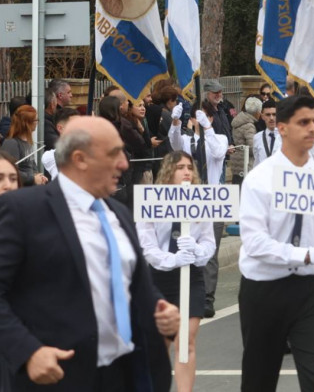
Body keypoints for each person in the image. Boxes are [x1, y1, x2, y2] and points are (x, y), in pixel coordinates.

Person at [0, 116, 180, 390]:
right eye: (113, 153)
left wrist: (161, 309)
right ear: (80, 159)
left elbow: (135, 285)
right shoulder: (23, 210)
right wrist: (27, 352)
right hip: (59, 377)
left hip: (126, 375)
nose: (124, 163)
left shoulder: (119, 213)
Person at [238, 95, 314, 392]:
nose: (312, 128)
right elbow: (254, 242)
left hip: (311, 291)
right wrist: (307, 254)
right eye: (304, 122)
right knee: (259, 380)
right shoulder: (260, 178)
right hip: (265, 290)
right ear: (282, 128)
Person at [136, 151, 216, 392]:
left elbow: (209, 242)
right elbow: (147, 246)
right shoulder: (151, 200)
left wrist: (196, 250)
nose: (186, 172)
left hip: (191, 277)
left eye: (189, 167)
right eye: (180, 167)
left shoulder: (201, 201)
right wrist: (172, 259)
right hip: (159, 278)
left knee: (186, 341)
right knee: (159, 346)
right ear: (169, 171)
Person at [168, 100, 231, 318]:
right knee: (184, 246)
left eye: (205, 116)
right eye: (196, 116)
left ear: (211, 118)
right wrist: (175, 122)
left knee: (209, 250)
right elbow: (175, 145)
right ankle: (186, 294)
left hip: (212, 200)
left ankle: (207, 298)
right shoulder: (186, 140)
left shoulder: (219, 138)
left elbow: (218, 152)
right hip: (188, 200)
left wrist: (208, 129)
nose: (199, 120)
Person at [1, 105, 47, 187]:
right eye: (36, 120)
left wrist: (39, 177)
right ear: (27, 123)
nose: (37, 123)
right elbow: (10, 169)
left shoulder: (27, 141)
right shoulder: (12, 143)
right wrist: (32, 178)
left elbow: (32, 164)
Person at [232, 97, 262, 180]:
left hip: (237, 165)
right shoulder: (249, 126)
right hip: (246, 166)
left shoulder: (239, 121)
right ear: (257, 112)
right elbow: (253, 148)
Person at [252, 99, 281, 166]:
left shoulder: (286, 137)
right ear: (262, 116)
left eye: (274, 114)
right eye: (268, 115)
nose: (271, 118)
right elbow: (256, 163)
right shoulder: (257, 138)